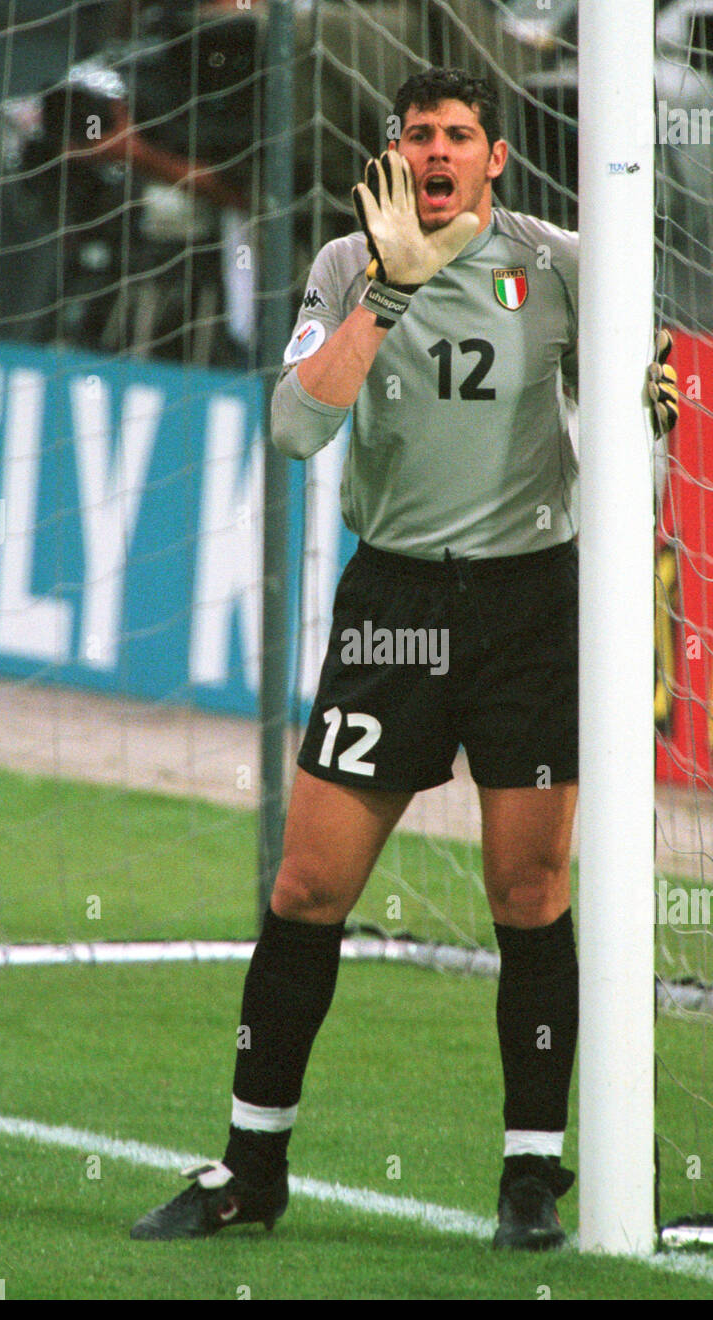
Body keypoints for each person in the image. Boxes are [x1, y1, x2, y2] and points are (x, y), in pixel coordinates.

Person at [131, 66, 678, 1251]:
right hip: (393, 607)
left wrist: (655, 401)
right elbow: (293, 428)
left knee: (529, 894)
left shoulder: (572, 264)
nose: (438, 152)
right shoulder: (346, 264)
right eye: (419, 134)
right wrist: (388, 290)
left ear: (496, 158)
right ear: (396, 153)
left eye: (460, 135)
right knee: (307, 888)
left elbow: (646, 426)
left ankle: (532, 1177)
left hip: (533, 606)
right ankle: (250, 1168)